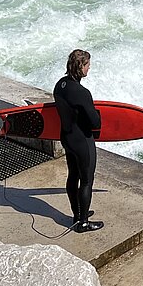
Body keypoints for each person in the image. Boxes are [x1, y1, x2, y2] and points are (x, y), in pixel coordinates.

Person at [54, 48, 103, 233]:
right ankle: (83, 223)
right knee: (87, 181)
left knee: (73, 176)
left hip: (67, 138)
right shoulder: (82, 92)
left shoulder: (60, 85)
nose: (89, 69)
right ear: (81, 66)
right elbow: (95, 121)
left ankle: (77, 214)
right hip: (82, 140)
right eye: (88, 65)